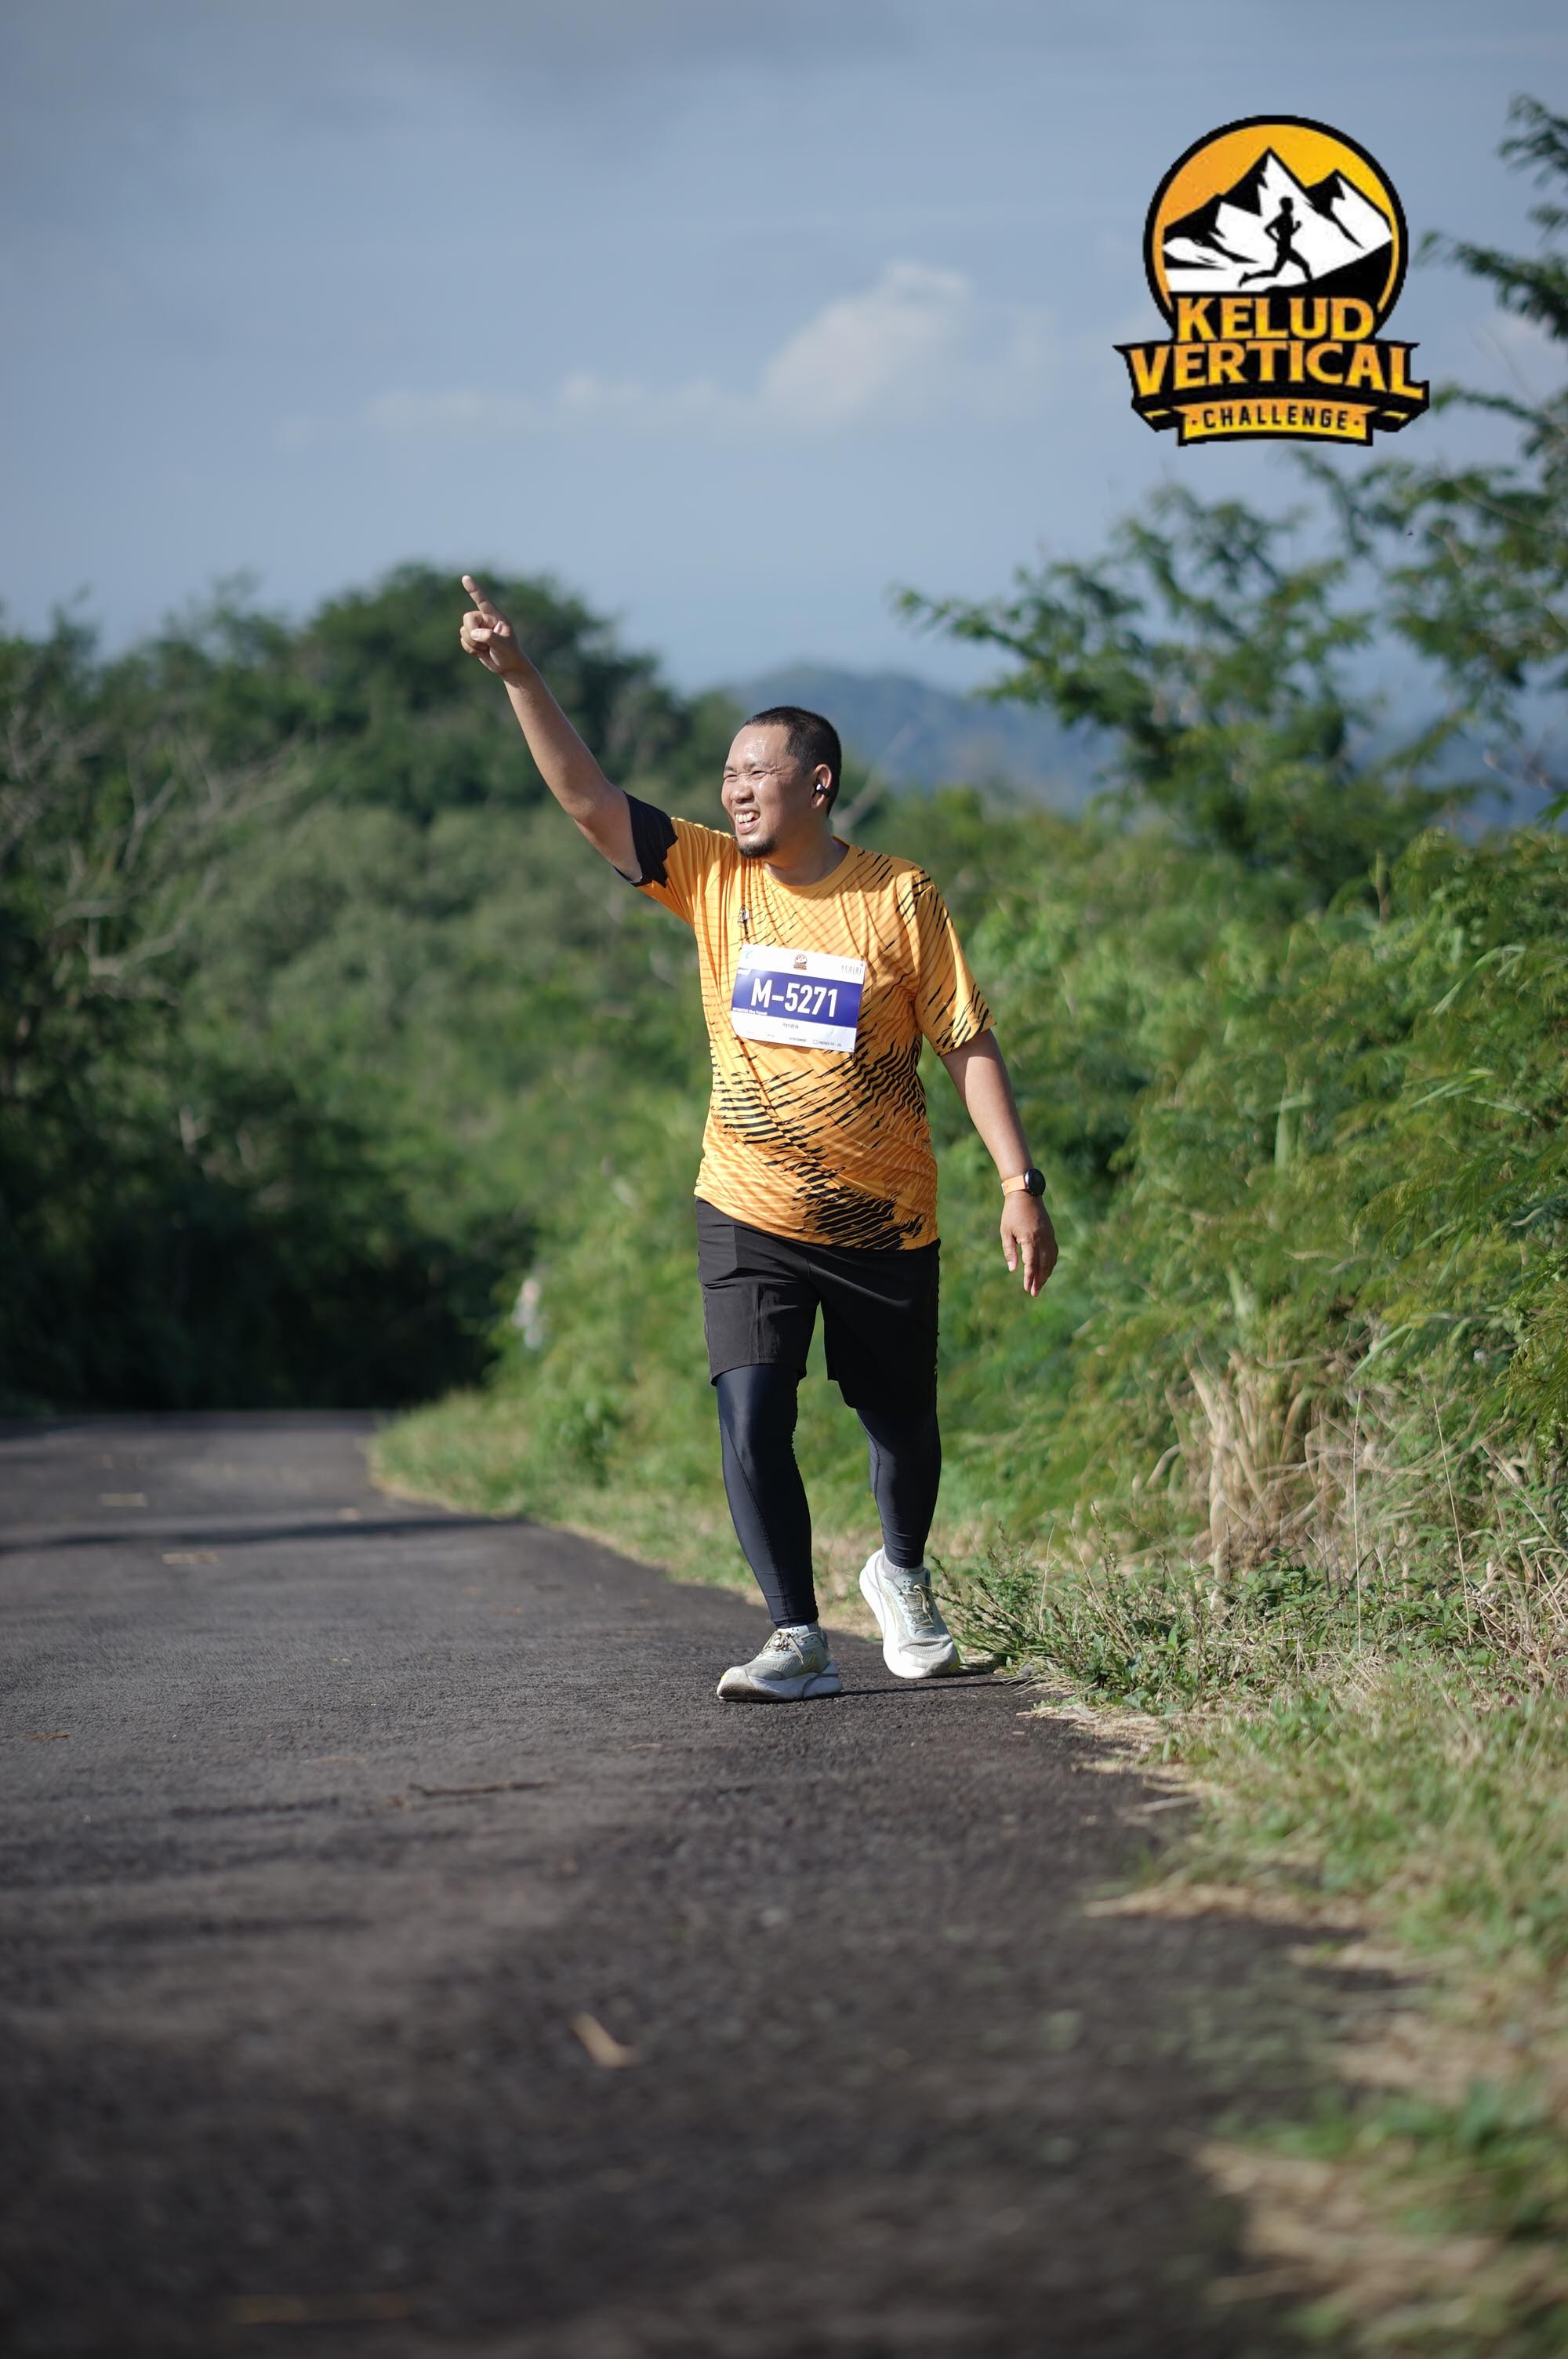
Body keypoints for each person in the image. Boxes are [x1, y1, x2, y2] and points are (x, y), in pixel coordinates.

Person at [458, 575, 1058, 1702]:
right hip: (746, 1203)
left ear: (817, 784)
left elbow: (965, 1040)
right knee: (750, 1410)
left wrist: (1018, 1182)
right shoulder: (711, 877)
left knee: (901, 1425)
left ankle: (902, 1573)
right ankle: (796, 1635)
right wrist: (520, 676)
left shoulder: (899, 898)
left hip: (885, 1215)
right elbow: (589, 800)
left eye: (756, 773)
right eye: (726, 775)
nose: (733, 791)